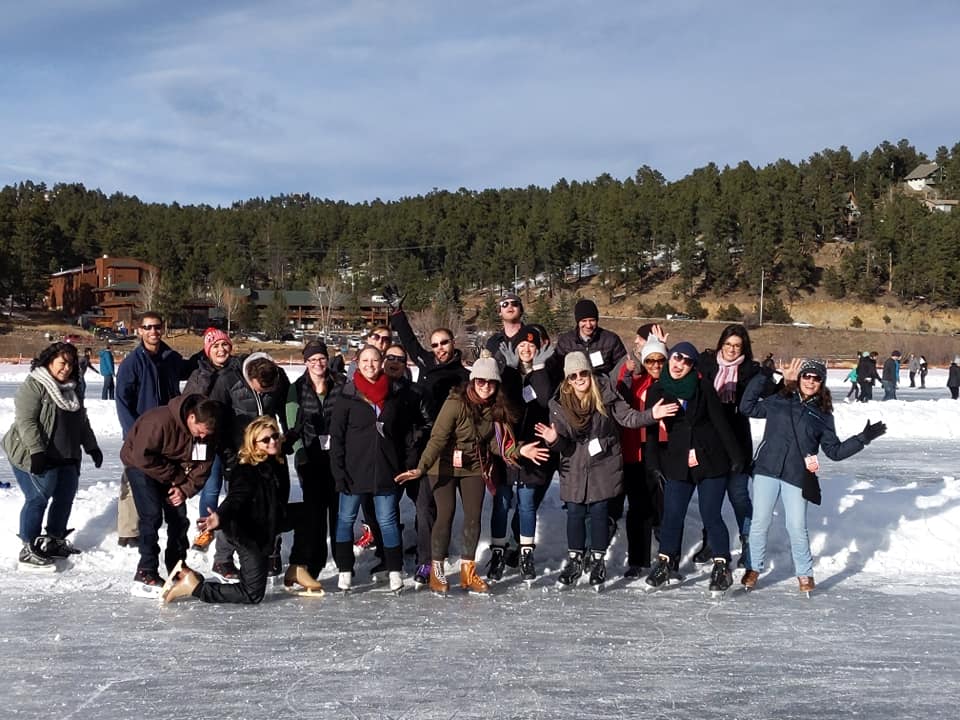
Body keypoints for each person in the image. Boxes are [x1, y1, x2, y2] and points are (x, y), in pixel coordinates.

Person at [395, 355, 549, 595]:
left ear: (496, 384)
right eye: (480, 381)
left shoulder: (496, 409)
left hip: (473, 466)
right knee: (444, 514)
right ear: (472, 381)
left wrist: (520, 449)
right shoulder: (455, 403)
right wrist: (421, 468)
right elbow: (437, 438)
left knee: (473, 516)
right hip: (442, 465)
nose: (485, 386)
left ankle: (468, 571)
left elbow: (498, 445)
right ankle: (437, 571)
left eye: (490, 382)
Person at [740, 358, 886, 593]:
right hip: (767, 469)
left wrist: (863, 438)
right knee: (759, 523)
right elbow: (747, 407)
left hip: (796, 475)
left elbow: (835, 452)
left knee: (796, 526)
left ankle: (805, 574)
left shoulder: (823, 414)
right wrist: (765, 375)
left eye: (816, 378)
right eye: (806, 376)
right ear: (799, 379)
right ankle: (753, 567)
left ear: (822, 382)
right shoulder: (780, 399)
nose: (810, 381)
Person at [535, 351, 678, 590]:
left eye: (583, 373)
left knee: (601, 511)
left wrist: (652, 415)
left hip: (604, 462)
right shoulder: (558, 404)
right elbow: (566, 445)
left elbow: (628, 418)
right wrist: (553, 439)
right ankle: (575, 560)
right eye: (573, 376)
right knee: (575, 512)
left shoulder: (606, 392)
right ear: (567, 379)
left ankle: (598, 560)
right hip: (574, 464)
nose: (579, 379)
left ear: (590, 373)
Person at [162, 416, 324, 604]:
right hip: (248, 533)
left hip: (270, 520)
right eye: (266, 440)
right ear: (254, 444)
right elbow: (236, 497)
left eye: (275, 436)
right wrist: (219, 517)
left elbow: (287, 438)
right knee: (252, 594)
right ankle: (194, 587)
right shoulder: (246, 471)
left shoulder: (274, 457)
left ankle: (297, 567)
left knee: (311, 512)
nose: (272, 441)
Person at [644, 342, 744, 595]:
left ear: (692, 367)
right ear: (670, 359)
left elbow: (721, 423)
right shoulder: (658, 390)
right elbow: (653, 432)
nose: (680, 364)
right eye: (677, 357)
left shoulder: (702, 388)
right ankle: (666, 561)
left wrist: (736, 457)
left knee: (710, 513)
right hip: (677, 461)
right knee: (673, 513)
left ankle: (722, 565)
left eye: (687, 361)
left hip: (710, 458)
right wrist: (653, 462)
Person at [3, 342, 103, 571]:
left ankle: (54, 540)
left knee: (65, 496)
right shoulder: (35, 384)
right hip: (32, 453)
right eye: (62, 363)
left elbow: (81, 420)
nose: (66, 368)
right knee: (38, 497)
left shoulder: (74, 387)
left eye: (70, 364)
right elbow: (26, 422)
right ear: (49, 361)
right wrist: (37, 451)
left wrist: (92, 447)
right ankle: (29, 546)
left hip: (67, 454)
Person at [329, 346, 422, 594]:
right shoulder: (347, 396)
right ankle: (345, 570)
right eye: (365, 360)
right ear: (357, 363)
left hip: (386, 470)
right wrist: (339, 472)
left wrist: (406, 464)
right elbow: (337, 438)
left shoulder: (394, 395)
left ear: (381, 363)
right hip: (353, 471)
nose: (370, 365)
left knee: (388, 521)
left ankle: (394, 570)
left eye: (375, 360)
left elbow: (405, 434)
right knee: (345, 520)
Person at [120, 394, 219, 597]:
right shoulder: (158, 421)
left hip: (173, 473)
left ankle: (177, 567)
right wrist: (176, 477)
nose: (202, 437)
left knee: (179, 518)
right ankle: (145, 571)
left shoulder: (206, 436)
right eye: (200, 432)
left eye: (206, 434)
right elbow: (142, 456)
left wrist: (184, 489)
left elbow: (203, 466)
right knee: (151, 515)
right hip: (141, 467)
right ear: (191, 418)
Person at [693, 324, 775, 568]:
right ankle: (711, 542)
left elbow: (775, 395)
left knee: (738, 495)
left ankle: (749, 543)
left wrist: (785, 381)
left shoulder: (751, 370)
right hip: (710, 440)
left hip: (738, 440)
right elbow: (680, 374)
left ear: (744, 348)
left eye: (737, 345)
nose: (731, 349)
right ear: (721, 344)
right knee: (710, 497)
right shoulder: (706, 363)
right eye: (728, 344)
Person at [209, 352, 290, 581]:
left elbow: (285, 410)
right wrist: (227, 458)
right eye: (261, 390)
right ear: (250, 379)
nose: (266, 393)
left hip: (272, 450)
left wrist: (288, 438)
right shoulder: (228, 380)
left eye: (269, 390)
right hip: (241, 454)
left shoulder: (278, 376)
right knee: (239, 508)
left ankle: (271, 551)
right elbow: (217, 422)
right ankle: (223, 559)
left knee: (275, 503)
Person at [115, 311, 194, 548]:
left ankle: (166, 521)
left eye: (157, 327)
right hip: (141, 432)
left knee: (165, 473)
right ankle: (128, 529)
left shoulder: (170, 357)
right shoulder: (132, 363)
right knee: (133, 477)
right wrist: (133, 433)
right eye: (148, 328)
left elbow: (186, 369)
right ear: (139, 330)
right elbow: (122, 401)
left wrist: (209, 353)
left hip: (169, 431)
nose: (153, 332)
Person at [489, 325, 558, 581]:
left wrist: (538, 370)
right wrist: (508, 369)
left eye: (531, 345)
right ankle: (497, 554)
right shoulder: (507, 374)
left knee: (527, 505)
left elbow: (544, 400)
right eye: (521, 346)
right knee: (502, 504)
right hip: (507, 451)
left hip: (534, 451)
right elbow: (507, 401)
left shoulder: (545, 373)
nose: (527, 350)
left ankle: (525, 555)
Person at [285, 340, 345, 578]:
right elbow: (292, 426)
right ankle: (316, 563)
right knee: (316, 515)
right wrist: (300, 456)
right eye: (312, 360)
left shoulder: (341, 384)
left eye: (321, 358)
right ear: (305, 362)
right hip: (310, 458)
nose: (318, 363)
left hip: (338, 458)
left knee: (339, 512)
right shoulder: (297, 388)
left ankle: (343, 563)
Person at [615, 333, 670, 576]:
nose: (656, 365)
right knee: (638, 508)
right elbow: (619, 393)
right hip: (635, 453)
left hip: (664, 453)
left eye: (660, 360)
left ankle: (668, 558)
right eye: (651, 361)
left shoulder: (673, 382)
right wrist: (627, 371)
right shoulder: (636, 382)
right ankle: (638, 560)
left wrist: (665, 347)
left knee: (663, 509)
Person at [182, 327, 241, 551]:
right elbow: (188, 405)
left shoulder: (238, 370)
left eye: (224, 344)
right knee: (211, 486)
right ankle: (205, 530)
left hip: (234, 440)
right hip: (207, 442)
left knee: (235, 487)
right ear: (207, 350)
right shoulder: (199, 374)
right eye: (215, 346)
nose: (221, 349)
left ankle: (231, 531)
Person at [555, 299, 627, 377]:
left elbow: (622, 367)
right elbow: (558, 369)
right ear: (578, 321)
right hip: (576, 385)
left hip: (603, 385)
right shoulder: (565, 342)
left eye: (592, 320)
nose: (588, 325)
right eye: (584, 321)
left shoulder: (611, 340)